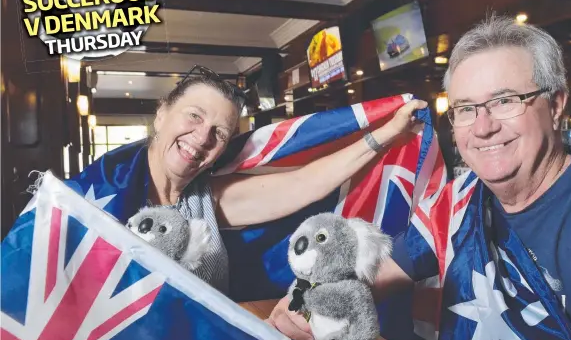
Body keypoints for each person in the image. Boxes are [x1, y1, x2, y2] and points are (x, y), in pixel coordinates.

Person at [268, 16, 571, 340]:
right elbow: (376, 276)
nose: (482, 128)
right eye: (464, 108)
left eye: (504, 101)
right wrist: (307, 304)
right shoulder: (457, 199)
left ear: (556, 105)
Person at [67, 65, 426, 296]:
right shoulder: (97, 197)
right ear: (162, 114)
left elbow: (305, 183)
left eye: (219, 133)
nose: (202, 137)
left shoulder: (210, 200)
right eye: (193, 116)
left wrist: (384, 136)